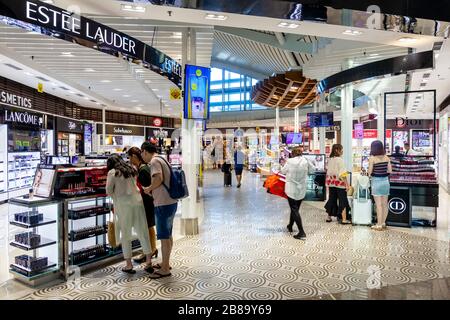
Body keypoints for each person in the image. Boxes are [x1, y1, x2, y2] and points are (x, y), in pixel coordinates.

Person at [106, 154, 154, 274]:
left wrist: (115, 195)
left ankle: (128, 265)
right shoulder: (131, 169)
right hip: (137, 202)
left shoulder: (113, 172)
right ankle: (148, 262)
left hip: (123, 205)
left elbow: (108, 190)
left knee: (126, 234)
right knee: (143, 231)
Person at [141, 142, 178, 279]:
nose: (142, 157)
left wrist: (148, 189)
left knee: (163, 237)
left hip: (163, 203)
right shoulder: (162, 158)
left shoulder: (155, 161)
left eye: (142, 154)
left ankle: (164, 269)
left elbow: (158, 179)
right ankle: (165, 263)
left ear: (145, 151)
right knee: (168, 235)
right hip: (171, 202)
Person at [127, 147, 158, 263]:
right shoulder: (143, 168)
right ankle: (151, 250)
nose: (129, 160)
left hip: (146, 204)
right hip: (148, 203)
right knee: (148, 227)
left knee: (147, 228)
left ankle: (150, 251)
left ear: (134, 157)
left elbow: (146, 189)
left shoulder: (143, 170)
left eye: (130, 157)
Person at [280, 146, 315, 240]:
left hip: (291, 188)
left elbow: (283, 171)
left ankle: (302, 232)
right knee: (295, 209)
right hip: (302, 188)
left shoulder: (289, 161)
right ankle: (290, 225)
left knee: (294, 209)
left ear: (293, 153)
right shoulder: (306, 160)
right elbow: (313, 170)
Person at [324, 144, 352, 224]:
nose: (342, 151)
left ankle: (328, 217)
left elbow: (328, 171)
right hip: (339, 183)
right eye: (341, 149)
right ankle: (344, 219)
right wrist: (347, 184)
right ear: (337, 150)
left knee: (332, 199)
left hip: (331, 182)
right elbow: (342, 174)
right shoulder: (340, 160)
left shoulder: (330, 159)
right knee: (342, 199)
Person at [368, 140, 392, 231]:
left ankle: (378, 225)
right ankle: (383, 223)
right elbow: (390, 171)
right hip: (385, 182)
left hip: (376, 182)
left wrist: (370, 172)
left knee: (378, 205)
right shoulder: (386, 158)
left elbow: (370, 172)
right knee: (384, 204)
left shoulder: (372, 158)